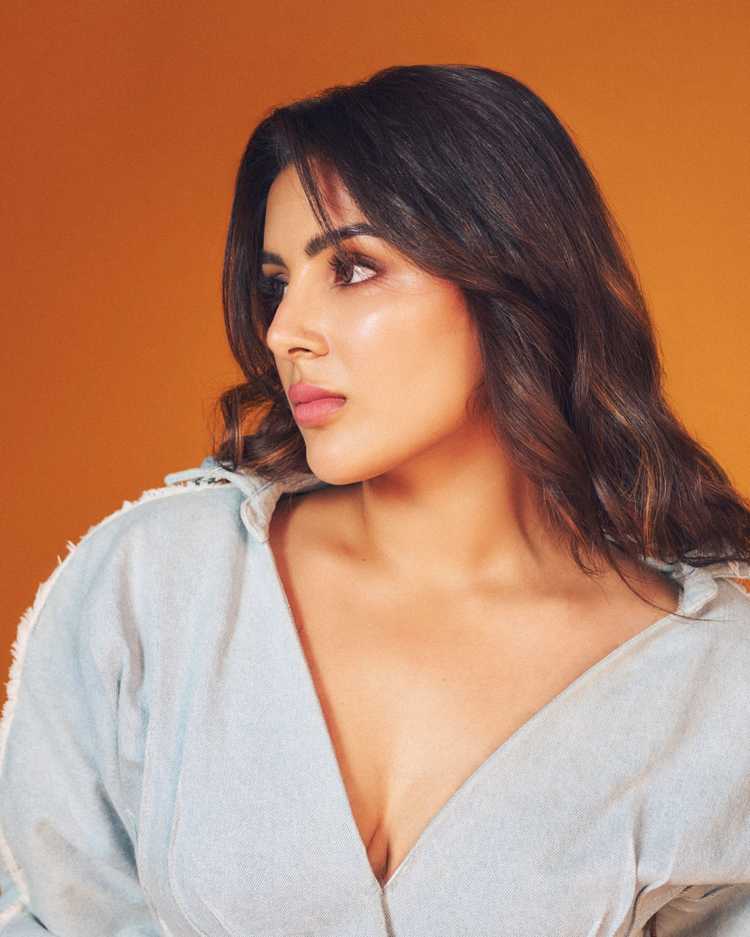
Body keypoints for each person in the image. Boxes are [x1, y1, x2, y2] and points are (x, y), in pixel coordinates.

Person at [1, 63, 749, 937]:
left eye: (352, 269)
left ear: (511, 277)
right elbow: (39, 908)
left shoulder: (712, 681)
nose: (285, 332)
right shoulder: (157, 582)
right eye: (277, 283)